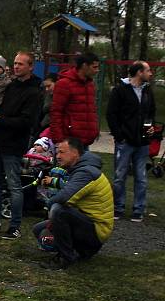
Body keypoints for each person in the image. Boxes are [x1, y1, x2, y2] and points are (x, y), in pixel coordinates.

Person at [0, 51, 42, 239]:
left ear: (30, 67)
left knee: (14, 185)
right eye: (15, 63)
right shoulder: (9, 85)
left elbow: (27, 122)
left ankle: (15, 226)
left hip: (13, 144)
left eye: (21, 64)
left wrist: (0, 120)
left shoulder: (34, 92)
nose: (16, 66)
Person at [40, 138, 114, 270]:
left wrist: (50, 211)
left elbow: (63, 198)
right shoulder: (81, 168)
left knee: (58, 210)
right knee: (38, 231)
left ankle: (65, 257)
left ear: (75, 153)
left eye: (62, 152)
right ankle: (79, 251)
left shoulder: (86, 173)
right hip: (86, 221)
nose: (58, 156)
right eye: (57, 153)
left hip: (96, 231)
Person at [106, 61, 156, 223]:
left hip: (142, 141)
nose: (151, 73)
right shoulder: (120, 90)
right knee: (120, 175)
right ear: (139, 72)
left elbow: (151, 112)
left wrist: (151, 127)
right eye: (148, 70)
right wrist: (119, 136)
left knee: (141, 176)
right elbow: (111, 114)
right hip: (125, 141)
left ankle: (138, 209)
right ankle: (118, 207)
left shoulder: (147, 91)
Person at [49, 52, 100, 147]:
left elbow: (90, 110)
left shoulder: (90, 85)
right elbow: (56, 112)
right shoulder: (64, 84)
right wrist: (59, 139)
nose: (97, 70)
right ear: (84, 66)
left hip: (85, 140)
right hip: (69, 140)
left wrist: (94, 131)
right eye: (94, 67)